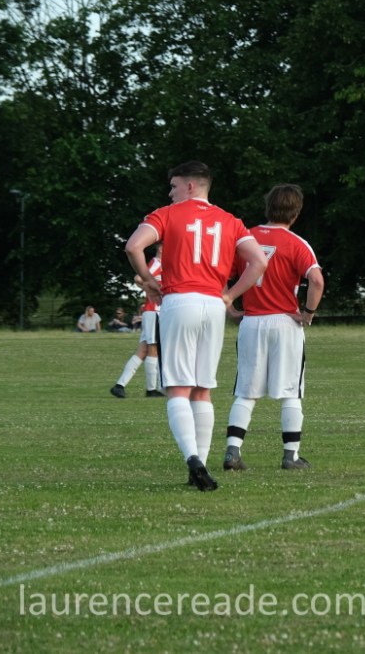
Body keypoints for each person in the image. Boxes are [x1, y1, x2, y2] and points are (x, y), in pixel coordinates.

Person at [124, 161, 268, 492]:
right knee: (203, 389)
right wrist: (230, 295)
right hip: (213, 305)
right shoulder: (230, 220)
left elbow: (133, 246)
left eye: (173, 186)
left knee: (178, 387)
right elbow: (259, 261)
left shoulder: (166, 214)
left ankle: (193, 460)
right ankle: (200, 464)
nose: (170, 192)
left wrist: (147, 279)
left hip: (179, 301)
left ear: (190, 186)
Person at [223, 184, 325, 472]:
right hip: (284, 322)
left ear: (267, 207)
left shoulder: (245, 238)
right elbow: (316, 280)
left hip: (251, 322)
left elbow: (220, 273)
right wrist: (308, 313)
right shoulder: (297, 243)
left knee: (246, 391)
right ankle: (290, 456)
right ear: (296, 213)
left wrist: (229, 306)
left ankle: (232, 452)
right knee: (291, 391)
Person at [110, 252, 164, 398]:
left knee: (143, 350)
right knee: (153, 348)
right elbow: (138, 278)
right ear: (161, 248)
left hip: (152, 312)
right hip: (155, 311)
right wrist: (152, 291)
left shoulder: (160, 263)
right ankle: (151, 389)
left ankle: (119, 385)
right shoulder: (158, 263)